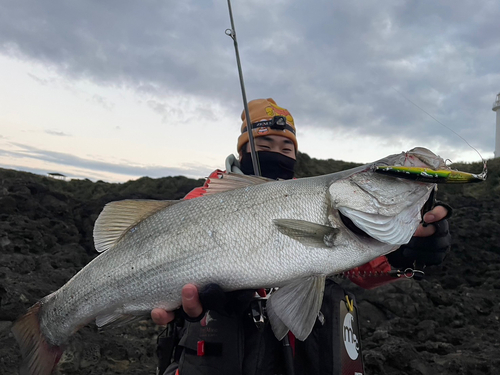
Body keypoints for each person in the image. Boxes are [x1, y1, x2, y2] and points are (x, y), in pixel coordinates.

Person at [152, 98, 451, 375]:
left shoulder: (317, 202)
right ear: (243, 151)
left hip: (298, 354)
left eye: (286, 147)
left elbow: (360, 269)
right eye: (264, 143)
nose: (277, 152)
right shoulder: (201, 199)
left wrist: (405, 251)